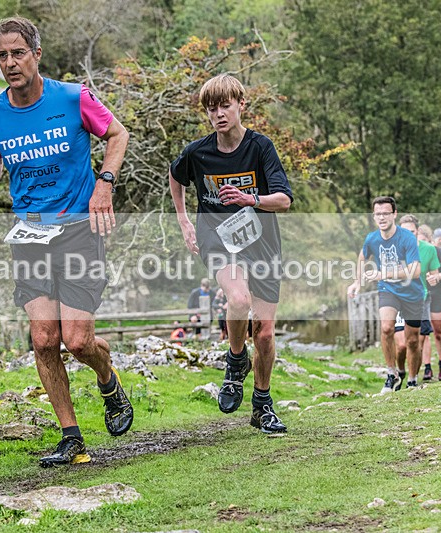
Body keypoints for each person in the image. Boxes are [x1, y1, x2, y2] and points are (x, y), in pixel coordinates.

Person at [0, 17, 132, 466]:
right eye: (2, 55)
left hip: (77, 229)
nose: (10, 63)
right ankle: (71, 436)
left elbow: (117, 134)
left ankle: (108, 380)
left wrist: (104, 184)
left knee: (77, 341)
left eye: (18, 53)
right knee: (43, 338)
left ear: (37, 54)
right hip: (31, 233)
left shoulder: (73, 97)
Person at [169, 73, 293, 434]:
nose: (219, 114)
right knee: (237, 300)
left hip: (262, 244)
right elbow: (175, 176)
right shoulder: (198, 152)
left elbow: (283, 200)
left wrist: (249, 198)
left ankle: (262, 404)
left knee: (266, 334)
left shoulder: (260, 148)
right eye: (211, 108)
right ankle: (236, 359)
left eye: (225, 105)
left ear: (241, 105)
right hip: (218, 240)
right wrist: (184, 223)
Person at [348, 197, 423, 392]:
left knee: (413, 340)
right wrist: (357, 282)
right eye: (378, 214)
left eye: (386, 213)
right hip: (388, 290)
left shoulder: (407, 237)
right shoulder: (372, 238)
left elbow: (415, 271)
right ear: (374, 216)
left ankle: (413, 379)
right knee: (387, 328)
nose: (382, 217)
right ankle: (392, 374)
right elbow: (362, 257)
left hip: (412, 292)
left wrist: (384, 273)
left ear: (394, 214)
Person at [395, 216, 439, 387]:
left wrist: (433, 278)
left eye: (411, 231)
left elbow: (434, 274)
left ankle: (412, 380)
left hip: (420, 299)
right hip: (399, 299)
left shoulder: (429, 249)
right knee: (401, 346)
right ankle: (400, 371)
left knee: (416, 343)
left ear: (417, 231)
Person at [419, 224, 441, 381]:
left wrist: (438, 277)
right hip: (421, 295)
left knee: (437, 332)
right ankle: (427, 368)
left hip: (437, 294)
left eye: (423, 240)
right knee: (424, 332)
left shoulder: (438, 252)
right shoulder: (412, 252)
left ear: (429, 240)